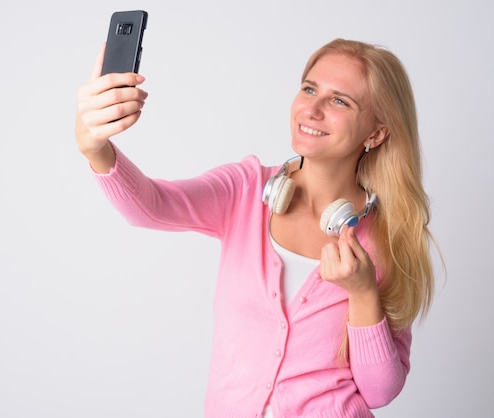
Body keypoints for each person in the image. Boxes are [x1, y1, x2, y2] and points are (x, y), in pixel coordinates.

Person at [75, 38, 437, 417]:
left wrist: (363, 293)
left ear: (376, 133)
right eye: (309, 89)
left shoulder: (393, 237)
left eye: (339, 101)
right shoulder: (245, 190)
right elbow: (150, 206)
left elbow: (379, 391)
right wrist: (95, 149)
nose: (311, 109)